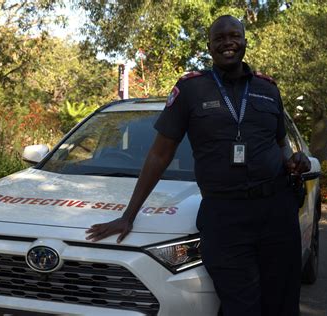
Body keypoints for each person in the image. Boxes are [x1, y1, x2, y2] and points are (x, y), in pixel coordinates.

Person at [86, 15, 310, 316]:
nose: (227, 42)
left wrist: (296, 160)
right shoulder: (191, 90)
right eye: (219, 38)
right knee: (241, 306)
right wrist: (129, 214)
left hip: (277, 212)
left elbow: (280, 144)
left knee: (282, 303)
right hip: (224, 216)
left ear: (244, 41)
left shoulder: (268, 89)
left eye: (234, 36)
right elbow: (159, 155)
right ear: (209, 46)